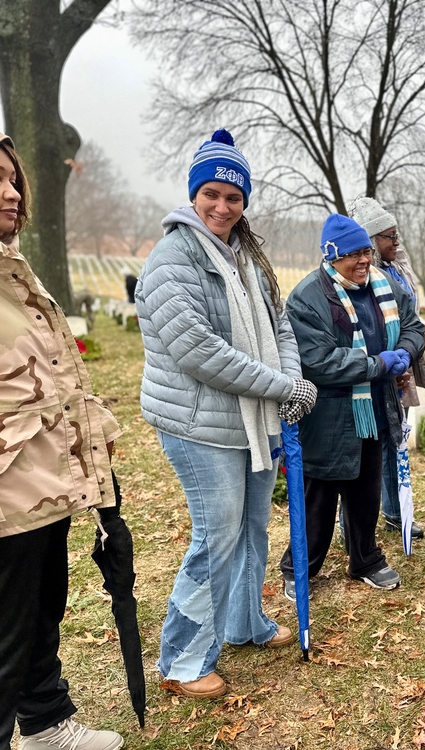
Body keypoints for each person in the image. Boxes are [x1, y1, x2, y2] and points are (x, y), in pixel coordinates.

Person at [136, 130, 316, 700]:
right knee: (216, 536)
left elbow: (280, 325)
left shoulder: (247, 258)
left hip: (251, 420)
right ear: (194, 195)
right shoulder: (172, 259)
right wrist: (282, 384)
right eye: (211, 193)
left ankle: (244, 622)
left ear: (245, 204)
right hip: (198, 424)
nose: (221, 206)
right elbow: (198, 352)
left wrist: (292, 383)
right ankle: (184, 659)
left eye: (233, 198)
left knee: (252, 529)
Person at [0, 122, 125, 750]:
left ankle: (47, 723)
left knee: (41, 616)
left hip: (46, 481)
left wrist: (97, 444)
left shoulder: (7, 266)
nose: (11, 193)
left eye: (14, 180)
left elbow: (55, 374)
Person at [280, 214, 425, 592]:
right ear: (331, 257)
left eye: (366, 251)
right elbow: (318, 360)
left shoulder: (384, 284)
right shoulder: (308, 297)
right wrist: (379, 364)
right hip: (329, 415)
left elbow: (412, 324)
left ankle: (365, 559)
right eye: (353, 254)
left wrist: (404, 355)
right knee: (320, 498)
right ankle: (299, 569)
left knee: (366, 491)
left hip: (374, 409)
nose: (363, 260)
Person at [347, 196, 425, 542]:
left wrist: (407, 353)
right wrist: (389, 363)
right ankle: (352, 528)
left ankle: (397, 513)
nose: (396, 242)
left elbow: (408, 316)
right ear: (369, 241)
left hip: (400, 367)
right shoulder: (362, 276)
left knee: (395, 441)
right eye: (388, 237)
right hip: (376, 373)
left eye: (397, 235)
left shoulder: (396, 271)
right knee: (366, 451)